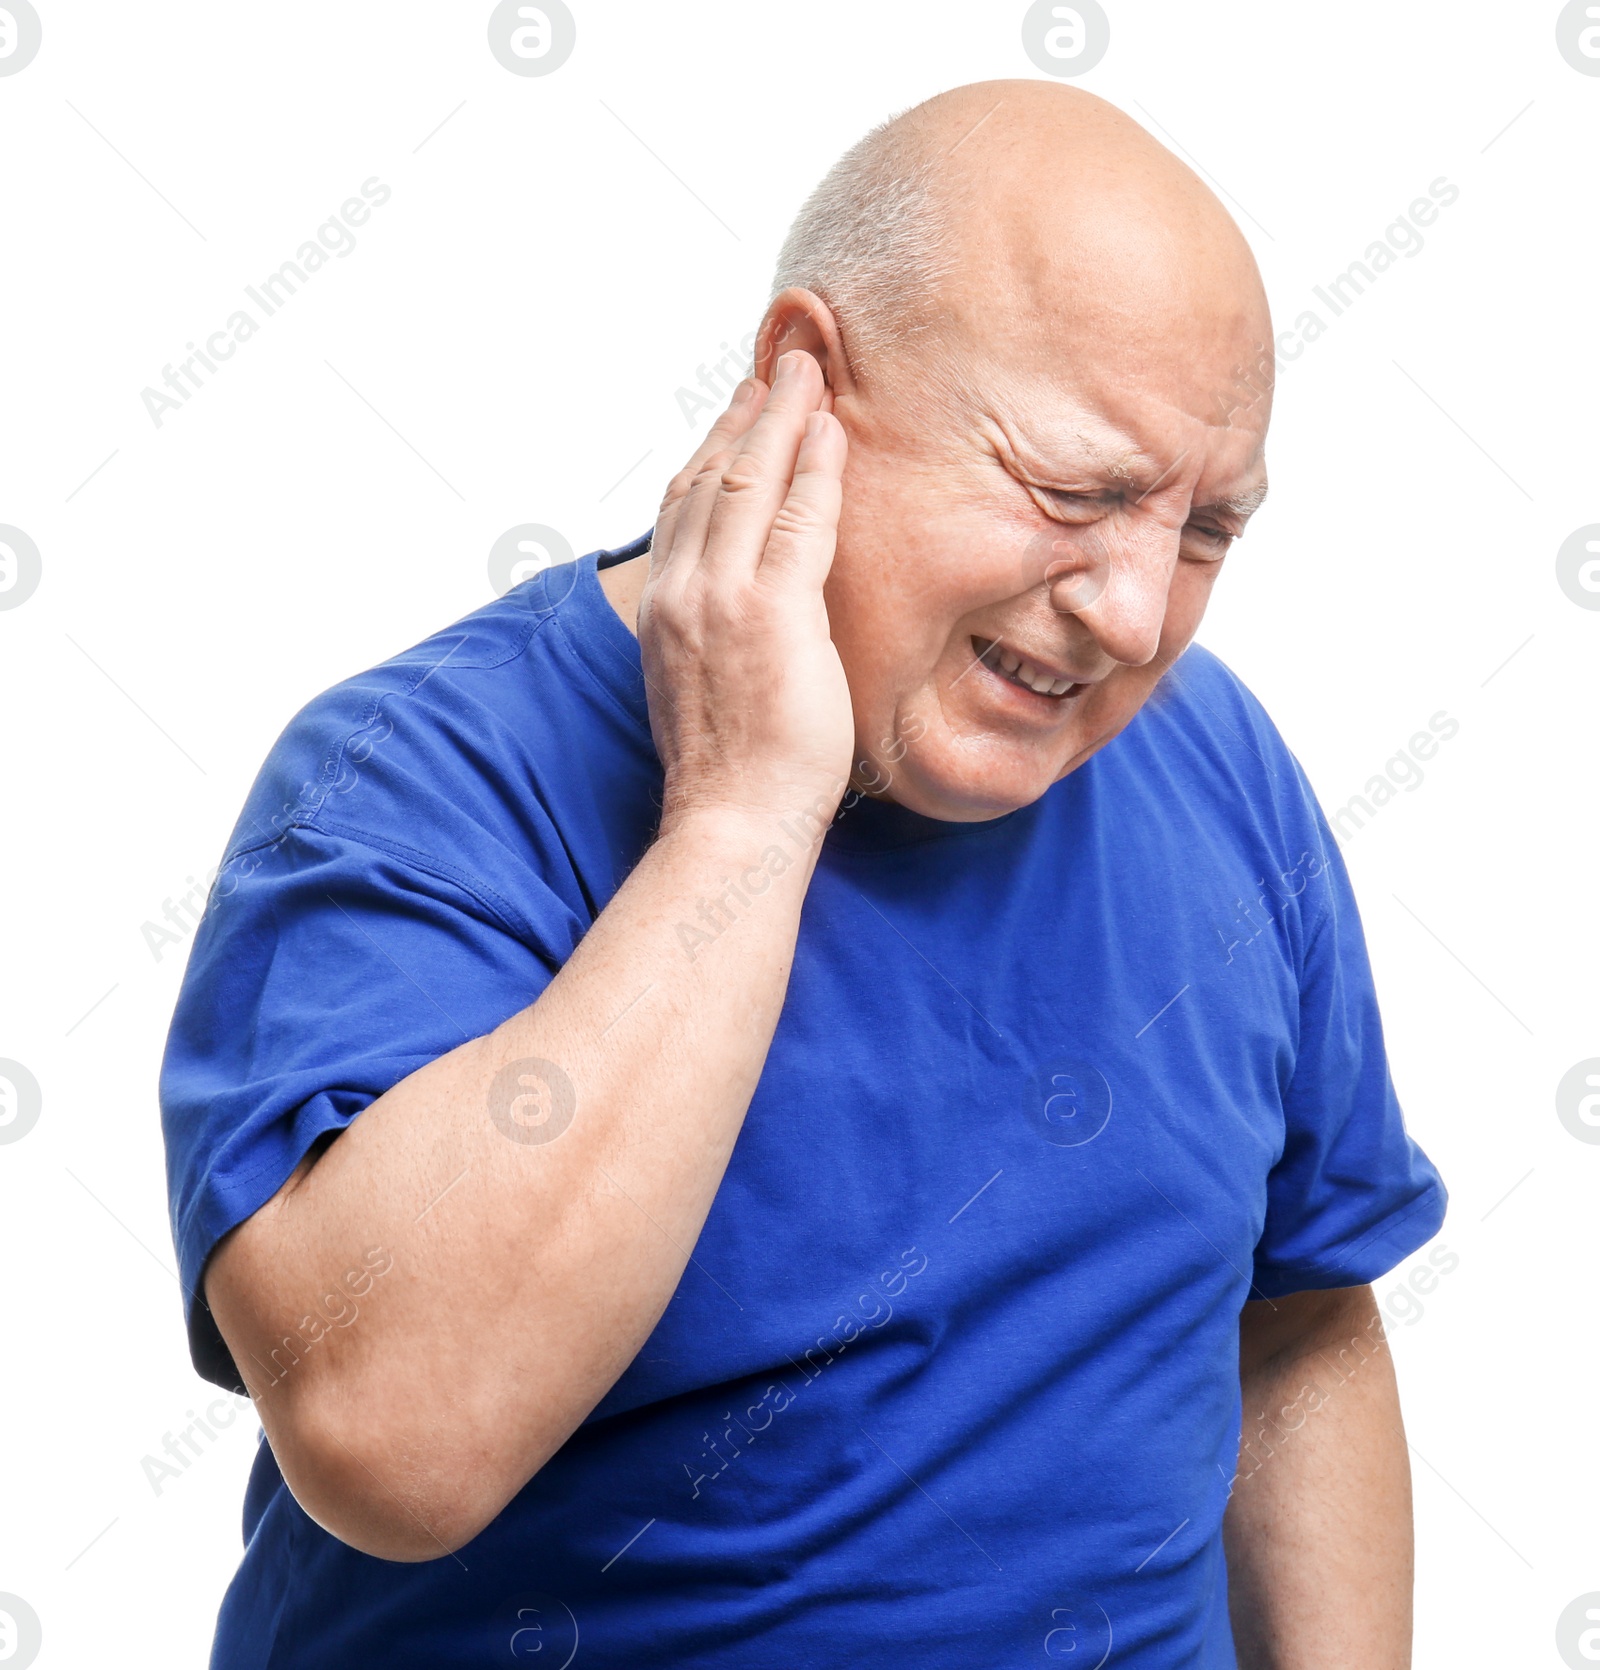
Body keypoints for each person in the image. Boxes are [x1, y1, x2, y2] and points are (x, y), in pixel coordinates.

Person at [161, 80, 1445, 1668]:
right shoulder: (417, 781)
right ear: (806, 390)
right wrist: (744, 817)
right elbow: (394, 1438)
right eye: (1076, 491)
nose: (1132, 612)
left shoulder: (1216, 764)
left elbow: (1299, 1316)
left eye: (1204, 531)